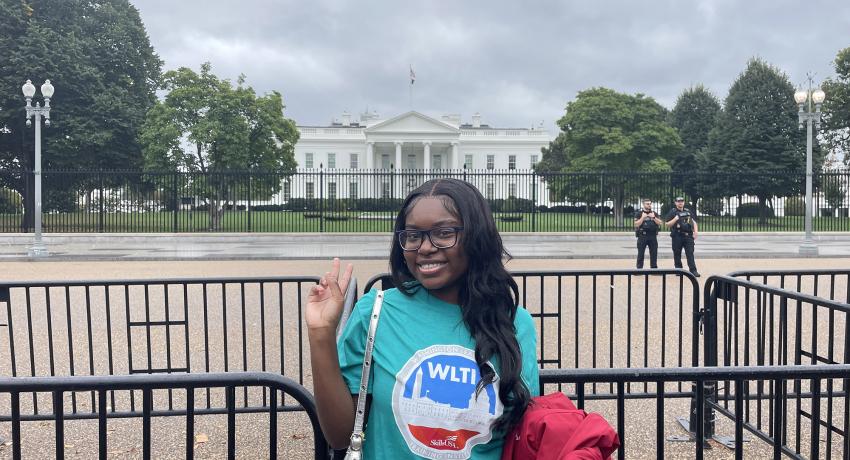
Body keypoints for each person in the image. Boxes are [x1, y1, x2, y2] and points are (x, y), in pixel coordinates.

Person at [306, 178, 540, 459]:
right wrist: (321, 334)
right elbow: (339, 434)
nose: (425, 247)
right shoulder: (377, 312)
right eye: (413, 235)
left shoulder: (515, 323)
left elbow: (521, 435)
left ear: (477, 236)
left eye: (443, 233)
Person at [664, 196, 700, 277]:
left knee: (690, 253)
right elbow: (667, 224)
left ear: (684, 202)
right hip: (677, 235)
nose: (680, 203)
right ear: (675, 203)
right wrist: (675, 219)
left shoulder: (688, 211)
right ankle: (678, 270)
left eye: (682, 201)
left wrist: (696, 232)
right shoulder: (672, 212)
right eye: (678, 201)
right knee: (677, 254)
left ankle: (693, 271)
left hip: (688, 236)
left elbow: (694, 222)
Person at [633, 198, 662, 269]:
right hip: (642, 236)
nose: (649, 205)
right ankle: (639, 269)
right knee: (641, 253)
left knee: (654, 253)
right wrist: (642, 218)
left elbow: (660, 223)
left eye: (650, 204)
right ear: (643, 204)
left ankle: (654, 268)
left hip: (652, 236)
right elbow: (636, 224)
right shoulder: (639, 213)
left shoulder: (654, 213)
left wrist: (654, 217)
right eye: (647, 204)